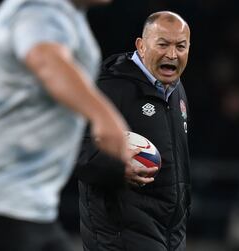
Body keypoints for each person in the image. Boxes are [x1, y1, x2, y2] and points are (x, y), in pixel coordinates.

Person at [0, 0, 132, 250]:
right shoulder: (39, 7)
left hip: (26, 205)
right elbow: (45, 60)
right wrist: (103, 115)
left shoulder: (66, 15)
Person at [76, 11, 192, 251]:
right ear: (141, 45)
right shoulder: (109, 86)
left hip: (169, 235)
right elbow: (73, 148)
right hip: (120, 236)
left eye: (181, 46)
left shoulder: (176, 90)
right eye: (163, 44)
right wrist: (118, 168)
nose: (172, 54)